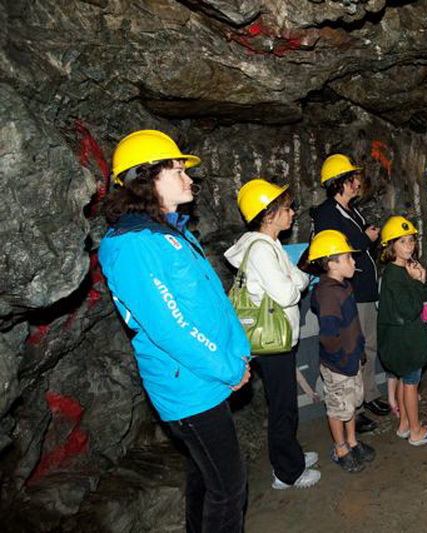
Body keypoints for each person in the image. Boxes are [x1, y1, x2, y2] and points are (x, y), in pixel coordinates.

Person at [99, 130, 250, 532]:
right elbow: (172, 328)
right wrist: (228, 368)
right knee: (230, 486)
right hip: (189, 385)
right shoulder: (133, 246)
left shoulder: (171, 232)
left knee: (206, 476)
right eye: (177, 169)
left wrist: (239, 351)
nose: (189, 179)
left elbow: (210, 303)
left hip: (205, 377)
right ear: (145, 178)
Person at [224, 179, 320, 490]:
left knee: (284, 404)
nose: (292, 213)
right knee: (282, 407)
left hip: (277, 340)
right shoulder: (262, 250)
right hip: (272, 343)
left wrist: (296, 282)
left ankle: (290, 455)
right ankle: (286, 472)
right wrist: (295, 283)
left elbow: (298, 280)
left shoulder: (269, 245)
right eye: (287, 208)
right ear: (269, 214)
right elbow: (287, 292)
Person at [310, 154, 390, 433]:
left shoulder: (351, 210)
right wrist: (365, 238)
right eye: (352, 179)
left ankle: (369, 395)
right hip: (349, 292)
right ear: (339, 183)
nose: (357, 183)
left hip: (364, 287)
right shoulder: (326, 213)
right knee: (352, 350)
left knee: (367, 346)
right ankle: (352, 410)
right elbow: (332, 251)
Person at [309, 230, 377, 473]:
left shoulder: (343, 286)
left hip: (350, 359)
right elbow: (329, 336)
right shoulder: (328, 294)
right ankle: (340, 449)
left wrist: (357, 351)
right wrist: (342, 360)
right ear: (332, 263)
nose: (354, 262)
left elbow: (351, 326)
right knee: (338, 408)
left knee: (351, 405)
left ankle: (352, 441)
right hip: (339, 365)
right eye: (348, 257)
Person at [377, 216, 427, 446]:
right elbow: (411, 309)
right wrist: (416, 283)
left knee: (406, 382)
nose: (409, 246)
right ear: (390, 246)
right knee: (411, 385)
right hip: (405, 346)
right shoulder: (394, 276)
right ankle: (415, 430)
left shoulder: (408, 270)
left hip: (410, 342)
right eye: (402, 241)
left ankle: (404, 423)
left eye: (412, 240)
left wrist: (423, 279)